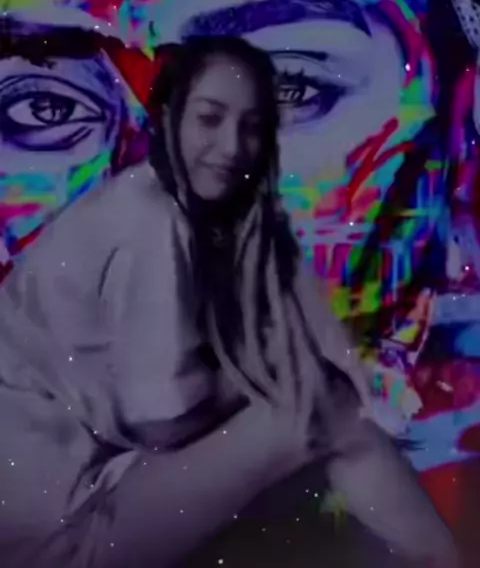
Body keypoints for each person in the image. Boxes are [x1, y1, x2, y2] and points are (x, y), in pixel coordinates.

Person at [0, 34, 457, 567]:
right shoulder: (150, 216)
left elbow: (317, 339)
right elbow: (161, 419)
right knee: (320, 412)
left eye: (252, 126)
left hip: (87, 490)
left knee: (318, 413)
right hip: (57, 534)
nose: (231, 147)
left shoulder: (213, 217)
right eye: (210, 119)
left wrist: (296, 371)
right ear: (169, 116)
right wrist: (272, 377)